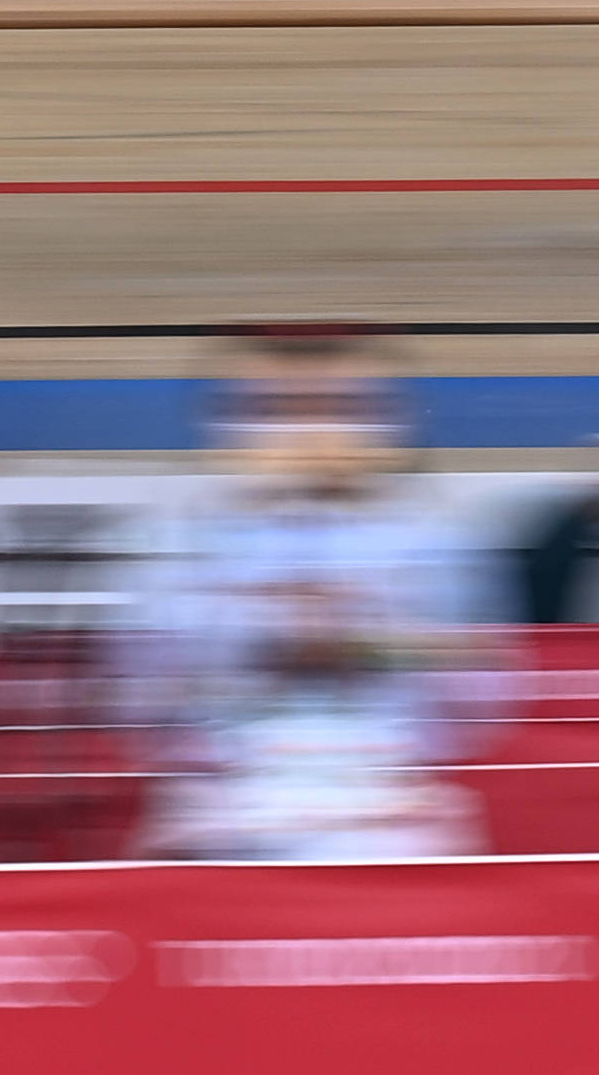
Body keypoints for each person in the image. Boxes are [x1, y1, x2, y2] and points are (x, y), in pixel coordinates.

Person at [130, 330, 509, 861]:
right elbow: (139, 697)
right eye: (275, 410)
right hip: (226, 820)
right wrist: (257, 636)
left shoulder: (435, 539)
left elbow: (482, 687)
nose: (308, 431)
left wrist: (360, 641)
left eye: (340, 407)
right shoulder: (180, 536)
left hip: (385, 819)